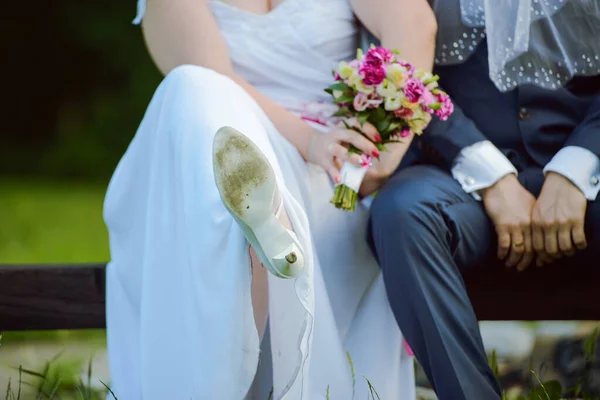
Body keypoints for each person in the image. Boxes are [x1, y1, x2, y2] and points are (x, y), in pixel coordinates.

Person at [103, 0, 439, 398]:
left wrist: (379, 155)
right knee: (193, 87)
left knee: (231, 217)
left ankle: (265, 217)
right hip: (221, 157)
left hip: (330, 181)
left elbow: (414, 25)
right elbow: (219, 76)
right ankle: (263, 209)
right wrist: (311, 141)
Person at [367, 0, 600, 399]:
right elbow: (400, 68)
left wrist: (578, 165)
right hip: (455, 173)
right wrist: (488, 173)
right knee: (403, 213)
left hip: (590, 174)